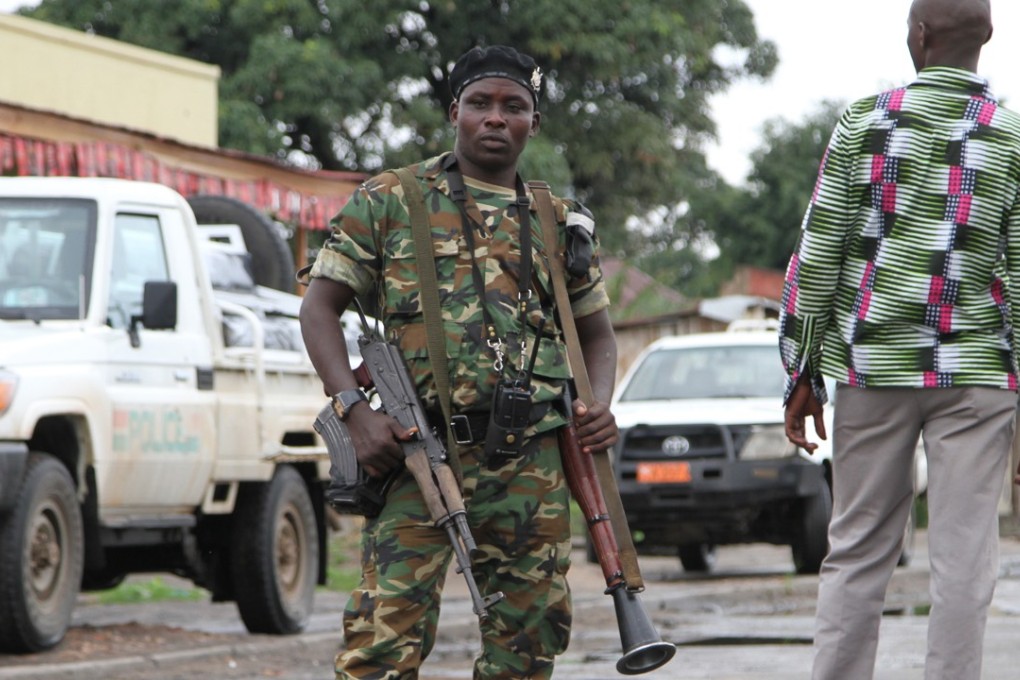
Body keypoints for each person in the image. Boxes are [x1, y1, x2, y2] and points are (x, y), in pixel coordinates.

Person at [299, 45, 619, 679]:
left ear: (534, 121)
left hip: (530, 464)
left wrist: (598, 403)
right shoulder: (390, 199)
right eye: (480, 104)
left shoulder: (558, 220)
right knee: (381, 648)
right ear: (455, 113)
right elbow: (318, 310)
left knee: (527, 647)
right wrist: (353, 411)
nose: (495, 118)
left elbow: (598, 336)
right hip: (418, 455)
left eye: (514, 107)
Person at [779, 1, 1020, 678]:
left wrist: (802, 369)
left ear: (919, 35)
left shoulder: (867, 121)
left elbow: (821, 251)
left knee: (856, 550)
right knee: (965, 559)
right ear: (986, 40)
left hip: (872, 370)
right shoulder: (1009, 138)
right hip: (977, 375)